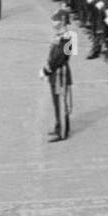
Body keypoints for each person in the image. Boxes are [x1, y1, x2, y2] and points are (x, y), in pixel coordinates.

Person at [42, 10, 73, 142]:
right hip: (56, 72)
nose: (53, 23)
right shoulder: (60, 36)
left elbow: (60, 58)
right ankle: (58, 125)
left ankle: (62, 132)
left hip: (61, 72)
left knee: (61, 102)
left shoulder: (67, 37)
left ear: (62, 22)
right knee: (56, 102)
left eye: (56, 20)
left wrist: (47, 69)